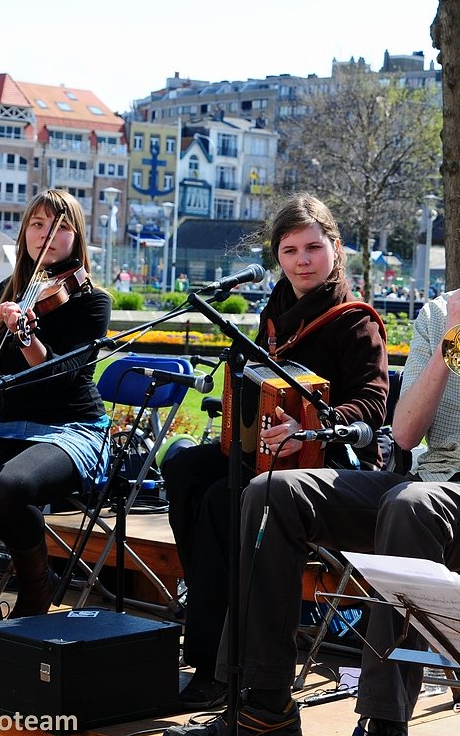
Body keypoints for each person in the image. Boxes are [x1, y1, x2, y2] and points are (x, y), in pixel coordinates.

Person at [162, 158, 460, 736]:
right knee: (269, 493)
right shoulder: (439, 312)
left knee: (411, 506)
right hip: (434, 484)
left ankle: (383, 728)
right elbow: (404, 436)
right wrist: (447, 342)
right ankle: (262, 711)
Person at [163, 193, 389, 707]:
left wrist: (311, 425)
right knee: (184, 471)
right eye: (289, 251)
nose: (302, 261)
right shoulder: (276, 310)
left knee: (223, 500)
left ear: (335, 248)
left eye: (313, 247)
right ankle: (210, 603)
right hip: (268, 452)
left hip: (329, 463)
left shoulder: (357, 320)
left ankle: (214, 667)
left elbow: (374, 405)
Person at [0, 188, 112, 650]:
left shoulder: (92, 301)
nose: (47, 235)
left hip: (71, 428)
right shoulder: (9, 290)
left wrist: (25, 334)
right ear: (25, 234)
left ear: (77, 237)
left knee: (11, 485)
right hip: (11, 425)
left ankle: (37, 590)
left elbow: (63, 373)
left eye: (60, 226)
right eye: (37, 224)